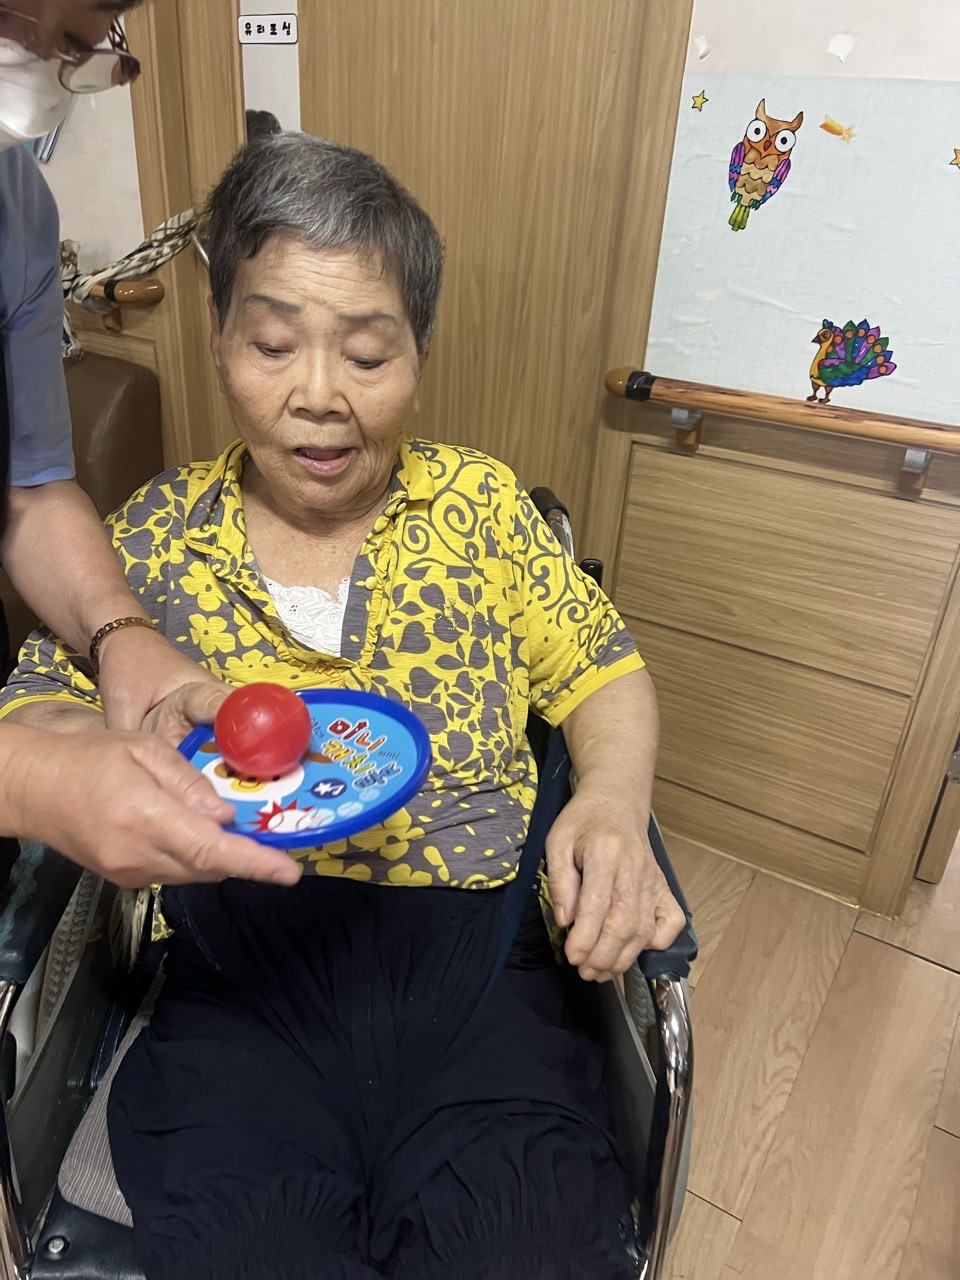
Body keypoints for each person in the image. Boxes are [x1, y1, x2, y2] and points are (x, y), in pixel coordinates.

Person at [0, 133, 685, 1279]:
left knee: (526, 1240)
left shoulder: (482, 510)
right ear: (219, 340)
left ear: (419, 354)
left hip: (483, 972)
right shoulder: (153, 540)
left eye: (367, 353)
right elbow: (34, 714)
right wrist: (79, 754)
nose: (318, 394)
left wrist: (612, 798)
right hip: (240, 983)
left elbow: (602, 665)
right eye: (272, 344)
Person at [0, 0, 299, 888]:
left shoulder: (16, 207)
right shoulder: (173, 523)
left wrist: (120, 630)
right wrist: (30, 776)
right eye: (30, 24)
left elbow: (28, 486)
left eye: (84, 45)